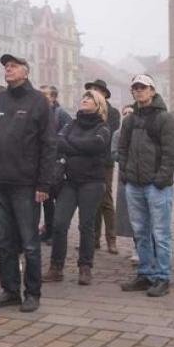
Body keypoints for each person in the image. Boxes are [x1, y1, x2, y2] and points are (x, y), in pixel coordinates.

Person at [0, 54, 56, 313]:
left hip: (26, 184)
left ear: (26, 71)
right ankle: (10, 290)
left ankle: (32, 292)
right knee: (4, 240)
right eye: (5, 66)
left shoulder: (38, 102)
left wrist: (44, 184)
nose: (8, 69)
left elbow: (49, 145)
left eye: (13, 66)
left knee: (29, 241)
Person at [118, 74, 174, 298]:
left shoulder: (165, 119)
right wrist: (125, 173)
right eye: (135, 88)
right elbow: (122, 149)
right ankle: (145, 273)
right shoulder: (130, 120)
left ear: (152, 91)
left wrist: (161, 180)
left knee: (161, 234)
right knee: (141, 233)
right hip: (134, 185)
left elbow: (171, 153)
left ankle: (162, 277)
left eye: (143, 88)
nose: (138, 91)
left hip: (157, 187)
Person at [44, 89, 112, 285]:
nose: (84, 99)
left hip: (93, 182)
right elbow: (58, 141)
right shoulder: (72, 123)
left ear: (98, 104)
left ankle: (85, 266)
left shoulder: (103, 127)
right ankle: (56, 267)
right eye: (83, 97)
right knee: (59, 223)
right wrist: (80, 147)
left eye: (89, 98)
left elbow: (97, 145)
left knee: (86, 225)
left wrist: (71, 146)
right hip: (70, 181)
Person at [85, 79, 122, 254]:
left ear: (105, 94)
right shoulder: (85, 111)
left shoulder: (112, 113)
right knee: (92, 202)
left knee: (106, 200)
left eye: (96, 89)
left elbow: (108, 135)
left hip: (105, 162)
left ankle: (111, 239)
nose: (93, 92)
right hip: (89, 161)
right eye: (91, 90)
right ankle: (94, 239)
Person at [38, 85, 72, 245]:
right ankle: (48, 230)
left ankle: (57, 234)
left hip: (57, 163)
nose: (43, 97)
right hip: (43, 161)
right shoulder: (39, 112)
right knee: (46, 199)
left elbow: (67, 136)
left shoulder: (62, 114)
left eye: (46, 95)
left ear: (53, 97)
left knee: (58, 200)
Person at [113, 105, 136, 261]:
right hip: (124, 176)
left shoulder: (140, 132)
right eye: (125, 113)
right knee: (128, 214)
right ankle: (135, 245)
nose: (127, 116)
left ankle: (141, 246)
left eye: (130, 113)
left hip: (140, 176)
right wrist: (125, 158)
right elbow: (113, 153)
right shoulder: (117, 134)